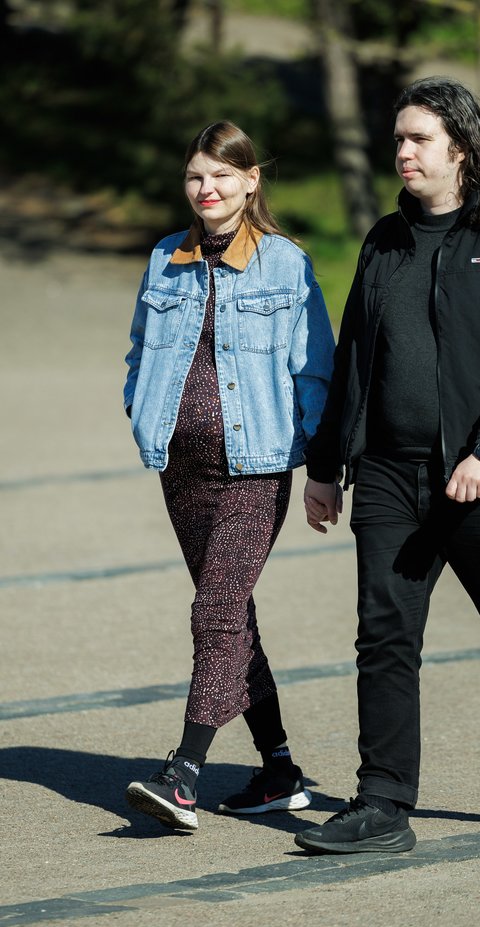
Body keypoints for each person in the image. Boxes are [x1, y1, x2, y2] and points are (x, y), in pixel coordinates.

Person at [294, 77, 480, 855]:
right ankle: (382, 802)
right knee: (383, 635)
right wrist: (325, 464)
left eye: (419, 138)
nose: (403, 151)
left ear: (460, 147)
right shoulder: (384, 241)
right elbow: (354, 356)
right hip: (390, 474)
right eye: (398, 138)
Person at [123, 121, 335, 831]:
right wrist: (140, 410)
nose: (206, 188)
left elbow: (315, 371)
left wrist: (321, 467)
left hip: (256, 467)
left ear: (251, 180)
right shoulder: (165, 258)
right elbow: (139, 352)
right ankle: (279, 770)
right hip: (181, 470)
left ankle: (183, 774)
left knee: (214, 611)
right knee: (232, 615)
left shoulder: (286, 263)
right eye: (195, 176)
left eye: (220, 175)